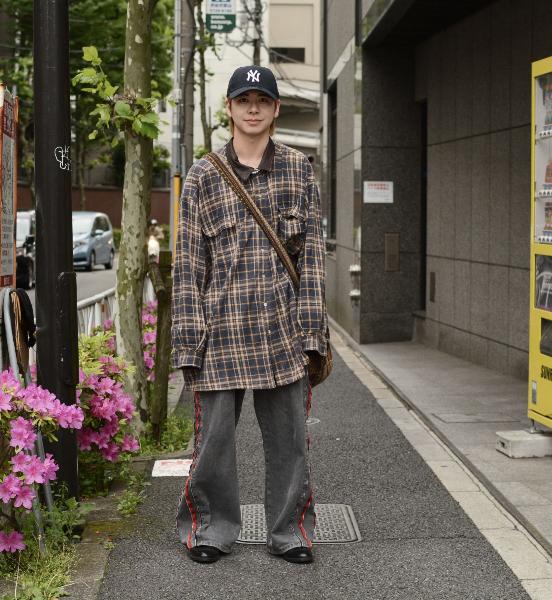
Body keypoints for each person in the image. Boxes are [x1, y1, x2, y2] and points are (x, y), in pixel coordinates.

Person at [170, 65, 328, 565]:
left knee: (289, 443)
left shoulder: (300, 171)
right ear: (231, 109)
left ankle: (291, 534)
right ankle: (212, 530)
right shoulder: (202, 177)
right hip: (220, 333)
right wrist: (187, 343)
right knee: (213, 442)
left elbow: (313, 259)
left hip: (282, 332)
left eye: (263, 99)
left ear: (277, 109)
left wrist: (311, 335)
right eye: (244, 99)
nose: (253, 107)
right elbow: (188, 265)